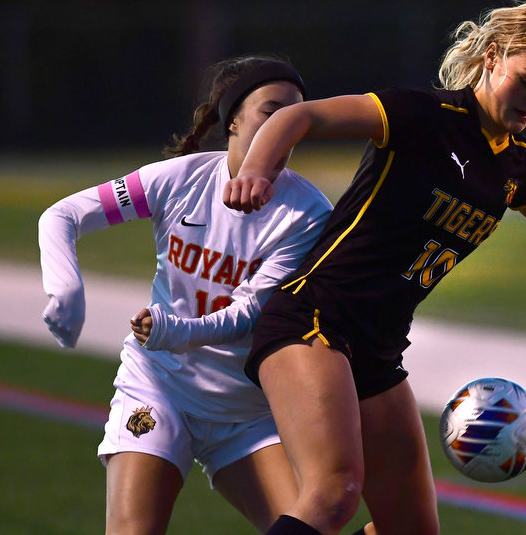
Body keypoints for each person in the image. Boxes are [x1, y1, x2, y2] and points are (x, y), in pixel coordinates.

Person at [221, 1, 526, 535]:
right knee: (333, 492)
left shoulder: (517, 164)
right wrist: (256, 173)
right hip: (311, 319)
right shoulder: (422, 117)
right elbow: (301, 115)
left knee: (411, 528)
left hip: (378, 348)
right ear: (492, 56)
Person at [38, 55, 335, 534]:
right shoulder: (180, 180)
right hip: (160, 388)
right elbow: (62, 216)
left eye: (296, 118)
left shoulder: (308, 214)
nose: (286, 128)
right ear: (234, 118)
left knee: (310, 526)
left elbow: (247, 313)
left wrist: (174, 329)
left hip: (246, 413)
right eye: (272, 111)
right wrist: (66, 285)